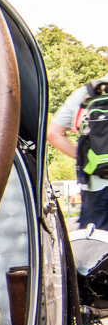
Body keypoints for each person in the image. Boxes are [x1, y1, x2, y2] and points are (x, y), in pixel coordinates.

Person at [48, 76, 108, 229]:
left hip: (97, 188)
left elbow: (53, 133)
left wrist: (86, 157)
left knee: (97, 246)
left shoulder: (88, 93)